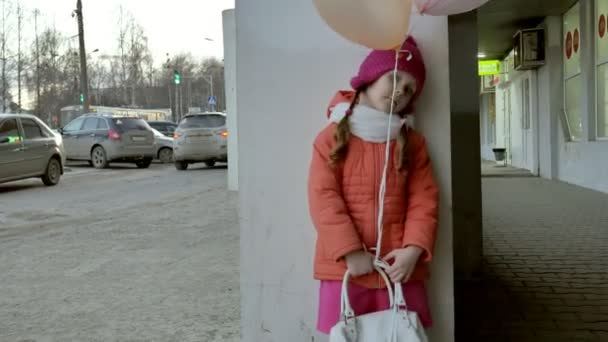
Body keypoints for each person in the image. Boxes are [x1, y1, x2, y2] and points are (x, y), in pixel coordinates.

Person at [307, 36, 439, 334]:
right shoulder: (331, 138)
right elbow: (323, 199)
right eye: (394, 78)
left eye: (409, 89)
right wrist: (350, 251)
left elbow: (425, 199)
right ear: (369, 77)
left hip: (399, 268)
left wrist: (414, 250)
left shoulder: (413, 143)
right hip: (345, 267)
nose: (400, 92)